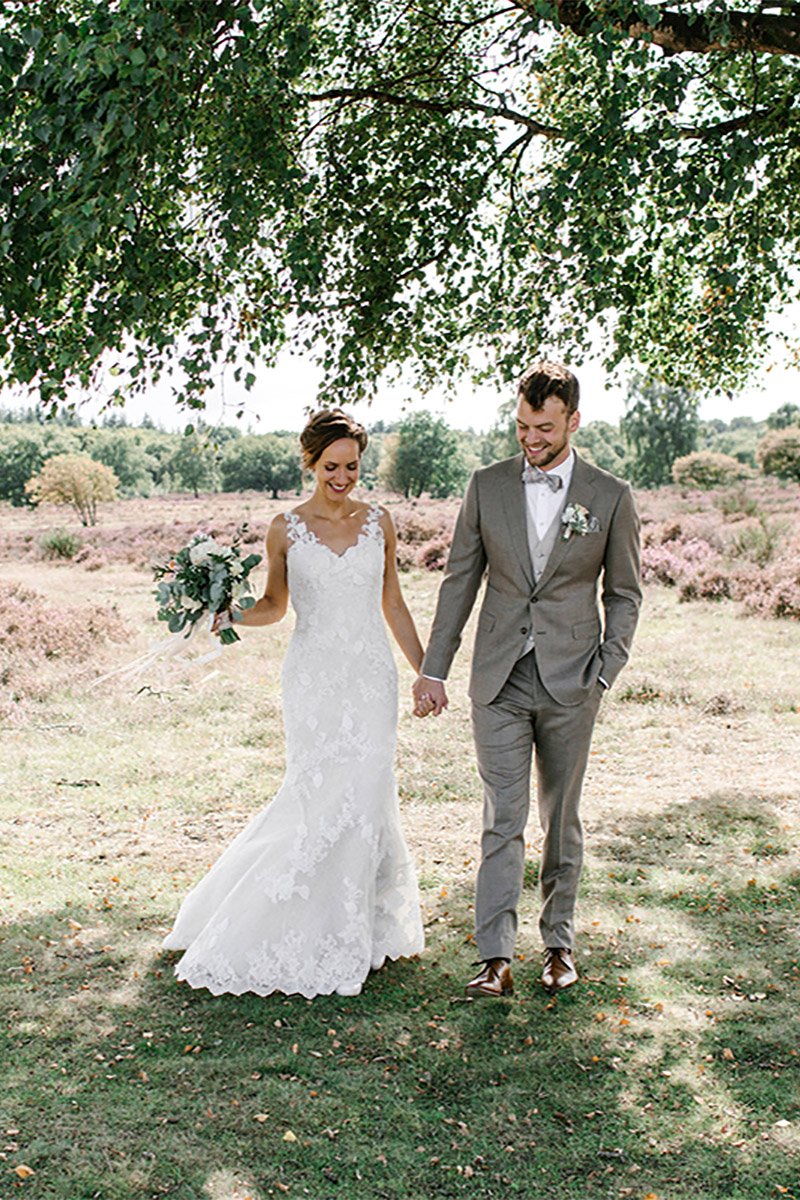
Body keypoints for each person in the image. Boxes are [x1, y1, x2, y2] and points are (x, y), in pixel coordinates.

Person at [163, 409, 427, 998]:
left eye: (353, 467)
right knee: (314, 795)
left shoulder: (380, 521)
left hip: (370, 677)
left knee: (367, 790)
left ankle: (360, 925)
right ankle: (287, 920)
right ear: (310, 463)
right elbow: (276, 605)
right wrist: (229, 613)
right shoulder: (284, 528)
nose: (343, 477)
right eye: (331, 466)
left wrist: (426, 672)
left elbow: (394, 604)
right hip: (312, 679)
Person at [413, 361, 642, 998]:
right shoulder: (486, 486)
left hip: (575, 681)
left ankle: (559, 946)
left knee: (561, 817)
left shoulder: (610, 495)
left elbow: (625, 593)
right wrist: (435, 668)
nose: (530, 439)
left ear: (573, 421)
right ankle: (495, 957)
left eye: (543, 427)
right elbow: (460, 580)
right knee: (502, 817)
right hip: (498, 680)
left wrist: (607, 669)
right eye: (521, 426)